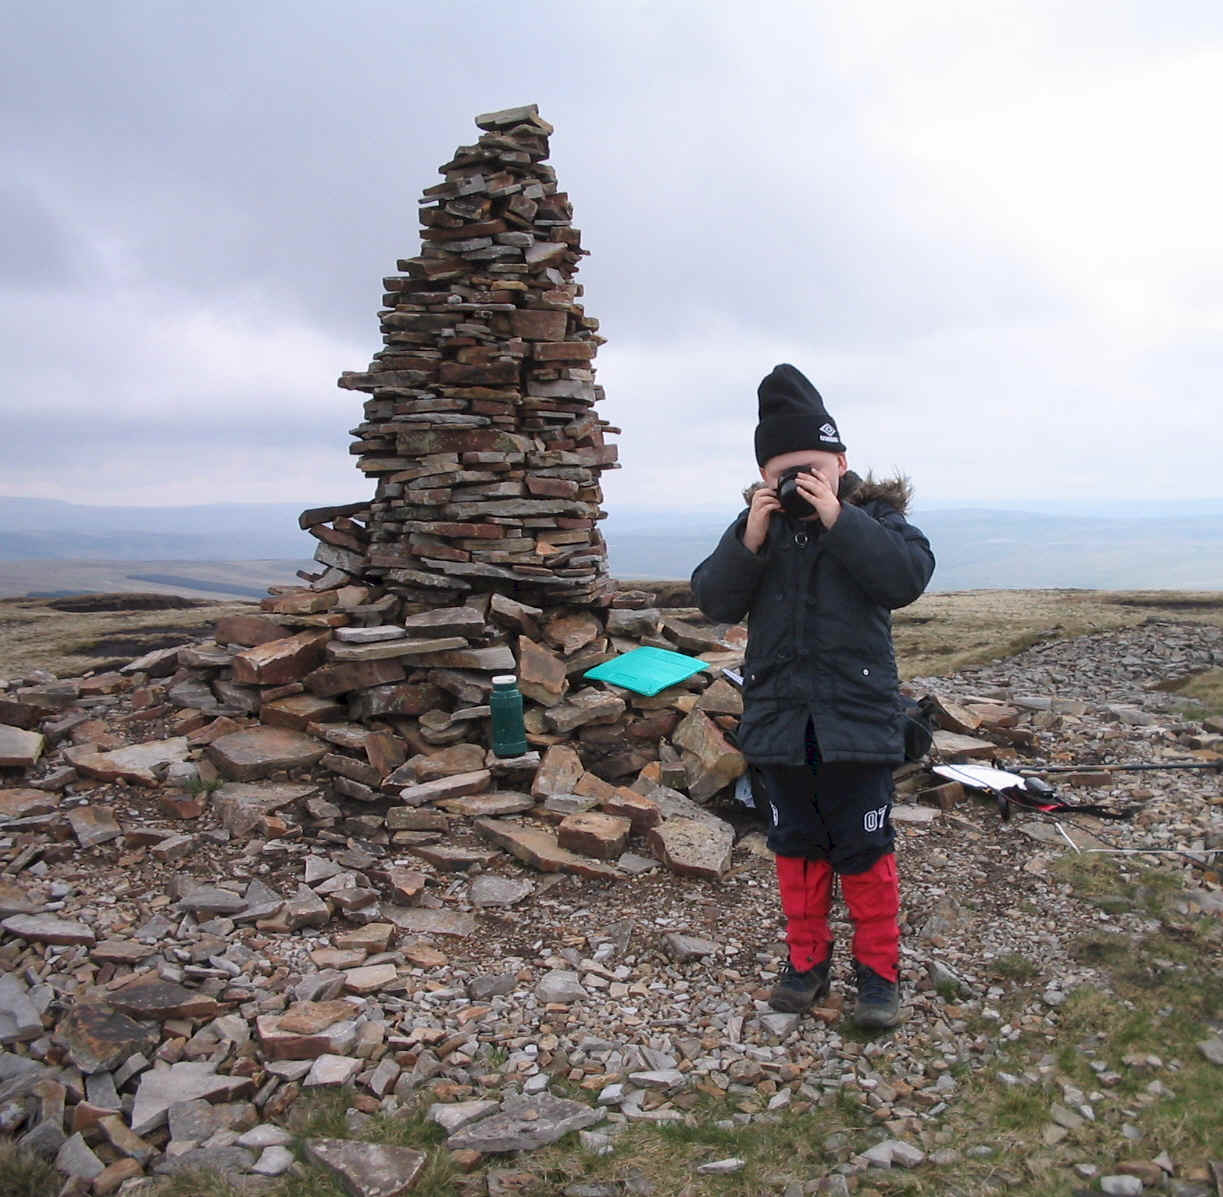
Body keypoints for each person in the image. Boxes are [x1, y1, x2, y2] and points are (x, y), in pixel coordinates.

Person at [690, 364, 935, 1028]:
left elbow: (905, 576)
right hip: (780, 725)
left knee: (863, 846)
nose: (797, 482)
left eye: (811, 469)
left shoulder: (873, 518)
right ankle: (805, 964)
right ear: (762, 476)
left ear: (840, 461)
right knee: (794, 844)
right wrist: (751, 535)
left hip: (856, 724)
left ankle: (878, 975)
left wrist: (837, 516)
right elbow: (713, 597)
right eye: (783, 473)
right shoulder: (757, 526)